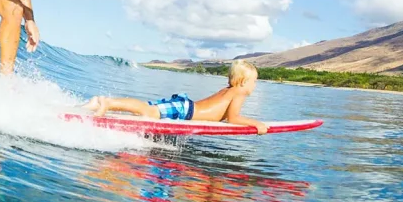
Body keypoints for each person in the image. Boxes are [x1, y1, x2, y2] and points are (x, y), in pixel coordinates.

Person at [82, 60, 269, 134]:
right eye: (254, 81)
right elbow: (233, 118)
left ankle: (98, 102)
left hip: (184, 106)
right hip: (185, 111)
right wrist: (257, 124)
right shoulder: (238, 92)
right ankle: (108, 102)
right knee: (148, 111)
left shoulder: (227, 90)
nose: (255, 85)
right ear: (243, 82)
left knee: (147, 108)